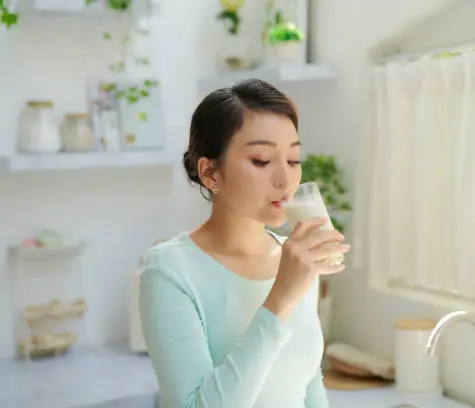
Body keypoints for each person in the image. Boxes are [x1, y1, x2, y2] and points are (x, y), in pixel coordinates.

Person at [138, 78, 351, 408]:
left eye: (293, 160)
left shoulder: (295, 259)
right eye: (262, 160)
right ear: (210, 173)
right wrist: (281, 297)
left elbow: (308, 384)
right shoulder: (170, 270)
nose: (285, 179)